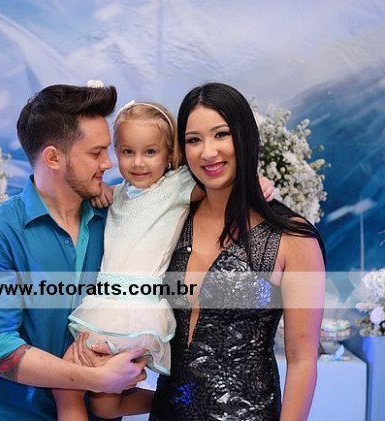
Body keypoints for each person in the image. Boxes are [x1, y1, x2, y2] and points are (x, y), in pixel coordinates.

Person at [85, 83, 325, 421]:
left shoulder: (291, 236)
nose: (208, 152)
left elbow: (302, 359)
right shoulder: (169, 223)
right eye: (194, 139)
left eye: (221, 134)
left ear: (244, 136)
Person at [56, 100, 275, 420]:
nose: (138, 162)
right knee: (103, 405)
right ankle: (177, 401)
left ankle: (178, 400)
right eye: (128, 151)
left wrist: (255, 182)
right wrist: (100, 189)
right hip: (108, 303)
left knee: (66, 382)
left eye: (150, 152)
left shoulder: (176, 187)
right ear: (115, 152)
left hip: (134, 309)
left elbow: (218, 180)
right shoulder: (117, 194)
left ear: (170, 154)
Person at [0, 83, 148, 421]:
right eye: (96, 153)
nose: (108, 163)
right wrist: (96, 379)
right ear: (53, 157)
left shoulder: (117, 217)